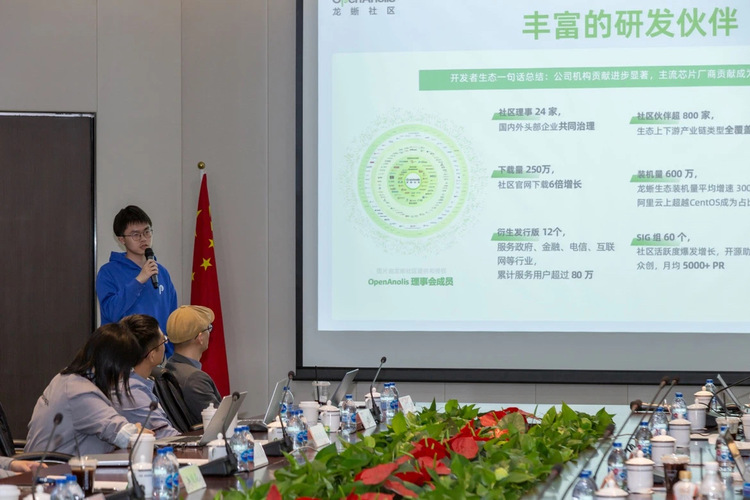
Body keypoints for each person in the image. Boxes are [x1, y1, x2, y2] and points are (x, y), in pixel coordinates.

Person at [25, 323, 151, 455]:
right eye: (127, 367)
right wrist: (136, 431)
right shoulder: (79, 392)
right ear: (114, 364)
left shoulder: (66, 378)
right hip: (56, 465)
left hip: (48, 462)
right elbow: (123, 435)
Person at [96, 205, 178, 357]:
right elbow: (111, 312)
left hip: (156, 356)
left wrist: (169, 355)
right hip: (121, 356)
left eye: (147, 232)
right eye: (136, 234)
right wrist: (139, 280)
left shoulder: (161, 272)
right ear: (121, 239)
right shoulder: (108, 272)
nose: (143, 238)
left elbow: (172, 318)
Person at [115, 314, 180, 439]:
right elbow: (167, 437)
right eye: (163, 341)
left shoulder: (129, 382)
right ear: (152, 355)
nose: (165, 346)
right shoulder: (133, 392)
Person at [165, 305, 221, 426]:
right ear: (200, 338)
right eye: (209, 328)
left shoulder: (169, 367)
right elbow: (220, 422)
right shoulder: (195, 378)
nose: (210, 333)